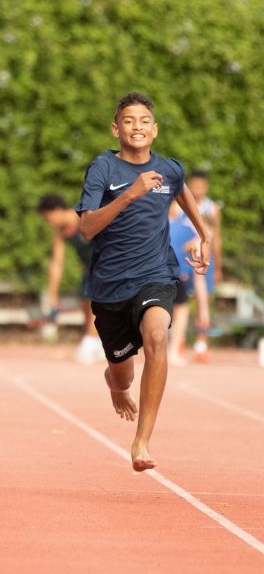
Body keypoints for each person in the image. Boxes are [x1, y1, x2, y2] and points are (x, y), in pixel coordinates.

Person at [75, 92, 210, 472]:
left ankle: (142, 440)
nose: (138, 126)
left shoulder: (169, 169)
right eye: (129, 121)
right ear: (116, 128)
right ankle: (116, 383)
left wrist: (205, 234)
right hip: (110, 286)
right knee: (123, 372)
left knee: (156, 337)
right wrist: (131, 194)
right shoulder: (102, 169)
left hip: (156, 275)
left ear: (155, 129)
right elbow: (86, 228)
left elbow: (180, 188)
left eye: (144, 120)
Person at [36, 193, 101, 364]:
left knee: (94, 302)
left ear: (57, 210)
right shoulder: (60, 233)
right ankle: (96, 341)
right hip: (89, 268)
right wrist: (53, 296)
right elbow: (56, 264)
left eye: (47, 217)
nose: (47, 221)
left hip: (106, 263)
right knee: (85, 303)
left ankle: (90, 340)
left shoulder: (84, 217)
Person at [181, 170, 222, 361]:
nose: (197, 190)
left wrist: (218, 267)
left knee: (202, 300)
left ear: (206, 187)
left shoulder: (212, 208)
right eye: (193, 186)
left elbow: (217, 239)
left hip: (204, 260)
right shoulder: (178, 205)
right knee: (179, 300)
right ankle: (178, 338)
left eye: (200, 186)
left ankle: (201, 343)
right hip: (184, 260)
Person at [166, 200, 208, 366]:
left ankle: (172, 350)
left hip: (166, 273)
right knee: (179, 311)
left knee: (175, 310)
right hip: (174, 273)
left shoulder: (154, 224)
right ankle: (172, 351)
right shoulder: (182, 227)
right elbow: (199, 241)